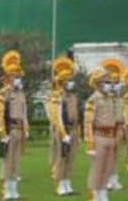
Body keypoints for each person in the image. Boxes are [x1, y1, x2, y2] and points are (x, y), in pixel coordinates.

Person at [84, 60, 122, 201]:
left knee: (107, 167)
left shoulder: (111, 99)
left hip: (111, 136)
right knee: (97, 167)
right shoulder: (93, 100)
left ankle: (102, 191)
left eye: (110, 82)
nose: (109, 85)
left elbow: (117, 118)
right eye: (106, 82)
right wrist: (90, 145)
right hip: (99, 135)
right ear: (98, 83)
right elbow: (88, 123)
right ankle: (93, 194)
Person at [0, 50, 28, 200]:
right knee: (7, 161)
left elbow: (24, 113)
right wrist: (2, 133)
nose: (17, 79)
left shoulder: (21, 93)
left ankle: (14, 189)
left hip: (19, 130)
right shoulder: (3, 93)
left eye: (18, 76)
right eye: (15, 76)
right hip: (9, 130)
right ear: (8, 77)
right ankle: (6, 189)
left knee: (16, 161)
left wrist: (26, 129)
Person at [46, 56, 79, 196]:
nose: (71, 83)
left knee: (71, 157)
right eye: (68, 80)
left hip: (72, 130)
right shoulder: (56, 96)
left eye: (71, 80)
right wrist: (63, 133)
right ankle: (60, 184)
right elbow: (56, 117)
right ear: (62, 81)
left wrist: (76, 131)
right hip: (62, 130)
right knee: (61, 156)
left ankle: (67, 182)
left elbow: (76, 116)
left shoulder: (73, 96)